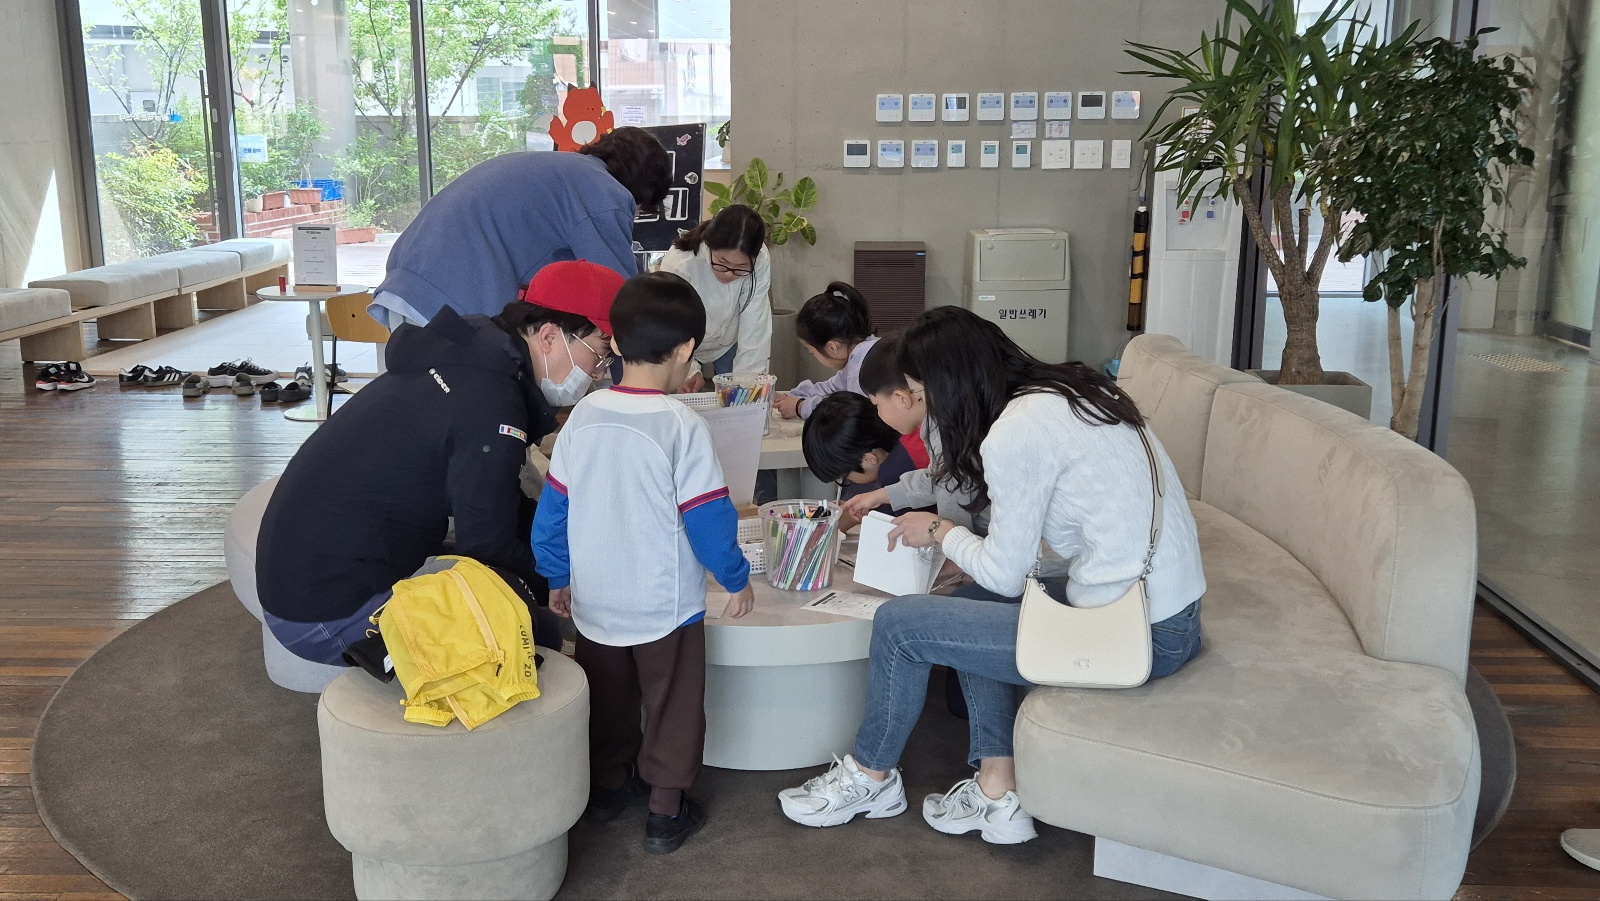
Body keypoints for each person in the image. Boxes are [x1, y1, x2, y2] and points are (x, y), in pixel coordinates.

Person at [777, 306, 1206, 844]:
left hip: (1130, 637)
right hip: (1167, 612)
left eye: (919, 389)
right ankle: (998, 790)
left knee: (898, 624)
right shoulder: (1074, 393)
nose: (921, 404)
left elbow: (1005, 574)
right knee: (971, 603)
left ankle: (871, 777)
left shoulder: (1015, 432)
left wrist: (939, 531)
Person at [256, 261, 624, 668]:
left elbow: (498, 503)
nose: (597, 375)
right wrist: (566, 578)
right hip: (325, 614)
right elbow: (487, 545)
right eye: (600, 355)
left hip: (310, 577)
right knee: (535, 633)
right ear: (550, 336)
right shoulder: (489, 400)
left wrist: (565, 548)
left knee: (535, 588)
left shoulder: (473, 359)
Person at [531, 271, 755, 855]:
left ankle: (608, 788)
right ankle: (664, 810)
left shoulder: (582, 416)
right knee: (673, 704)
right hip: (666, 606)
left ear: (616, 339)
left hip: (595, 601)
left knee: (608, 697)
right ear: (686, 349)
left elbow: (553, 512)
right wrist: (735, 577)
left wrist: (558, 574)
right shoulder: (683, 425)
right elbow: (709, 518)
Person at [370, 127, 672, 327]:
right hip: (453, 301)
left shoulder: (558, 170)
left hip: (405, 286)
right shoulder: (603, 190)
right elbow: (620, 300)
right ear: (642, 192)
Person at [657, 204, 771, 384]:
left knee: (740, 391)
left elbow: (755, 323)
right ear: (709, 246)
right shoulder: (681, 261)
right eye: (722, 263)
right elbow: (672, 322)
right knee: (686, 391)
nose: (729, 274)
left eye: (741, 268)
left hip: (729, 342)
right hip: (686, 342)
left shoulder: (760, 259)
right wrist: (689, 371)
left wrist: (749, 383)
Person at [800, 392, 919, 530]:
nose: (849, 480)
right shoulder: (909, 432)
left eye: (845, 476)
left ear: (868, 459)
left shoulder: (895, 473)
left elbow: (896, 531)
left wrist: (850, 518)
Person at [773, 282, 877, 419]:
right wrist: (790, 397)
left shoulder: (863, 368)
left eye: (812, 353)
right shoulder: (860, 355)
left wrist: (800, 407)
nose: (814, 356)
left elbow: (848, 412)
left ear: (832, 348)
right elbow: (831, 388)